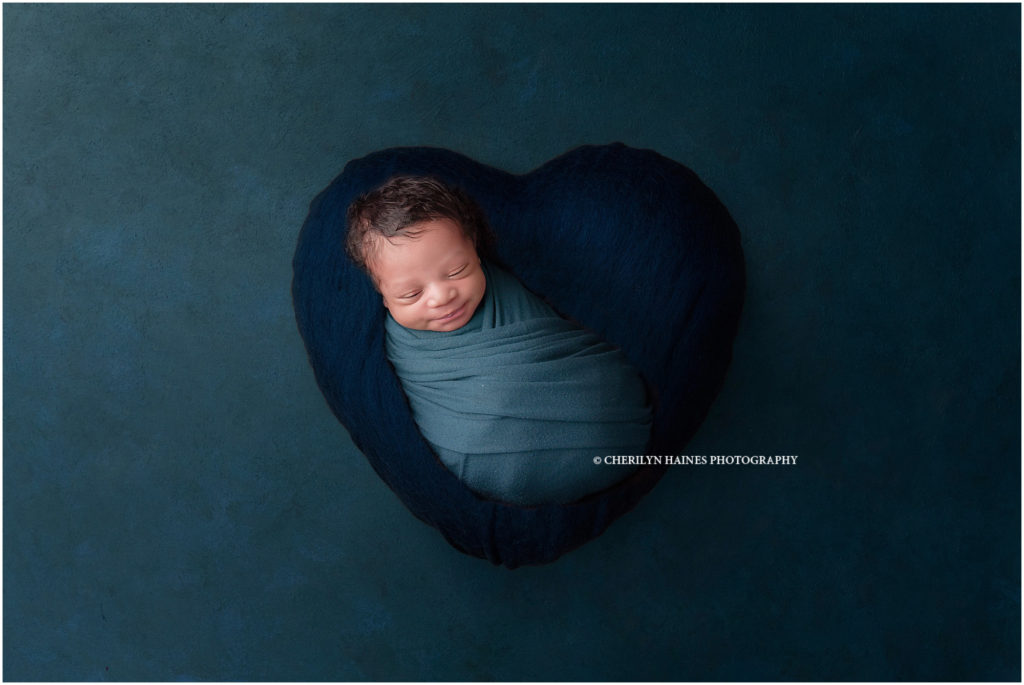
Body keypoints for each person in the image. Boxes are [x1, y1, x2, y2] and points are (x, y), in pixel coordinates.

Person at [345, 175, 651, 506]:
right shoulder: (398, 348)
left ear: (474, 246)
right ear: (381, 293)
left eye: (457, 271)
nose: (442, 297)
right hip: (496, 466)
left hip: (608, 418)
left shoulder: (500, 288)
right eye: (411, 293)